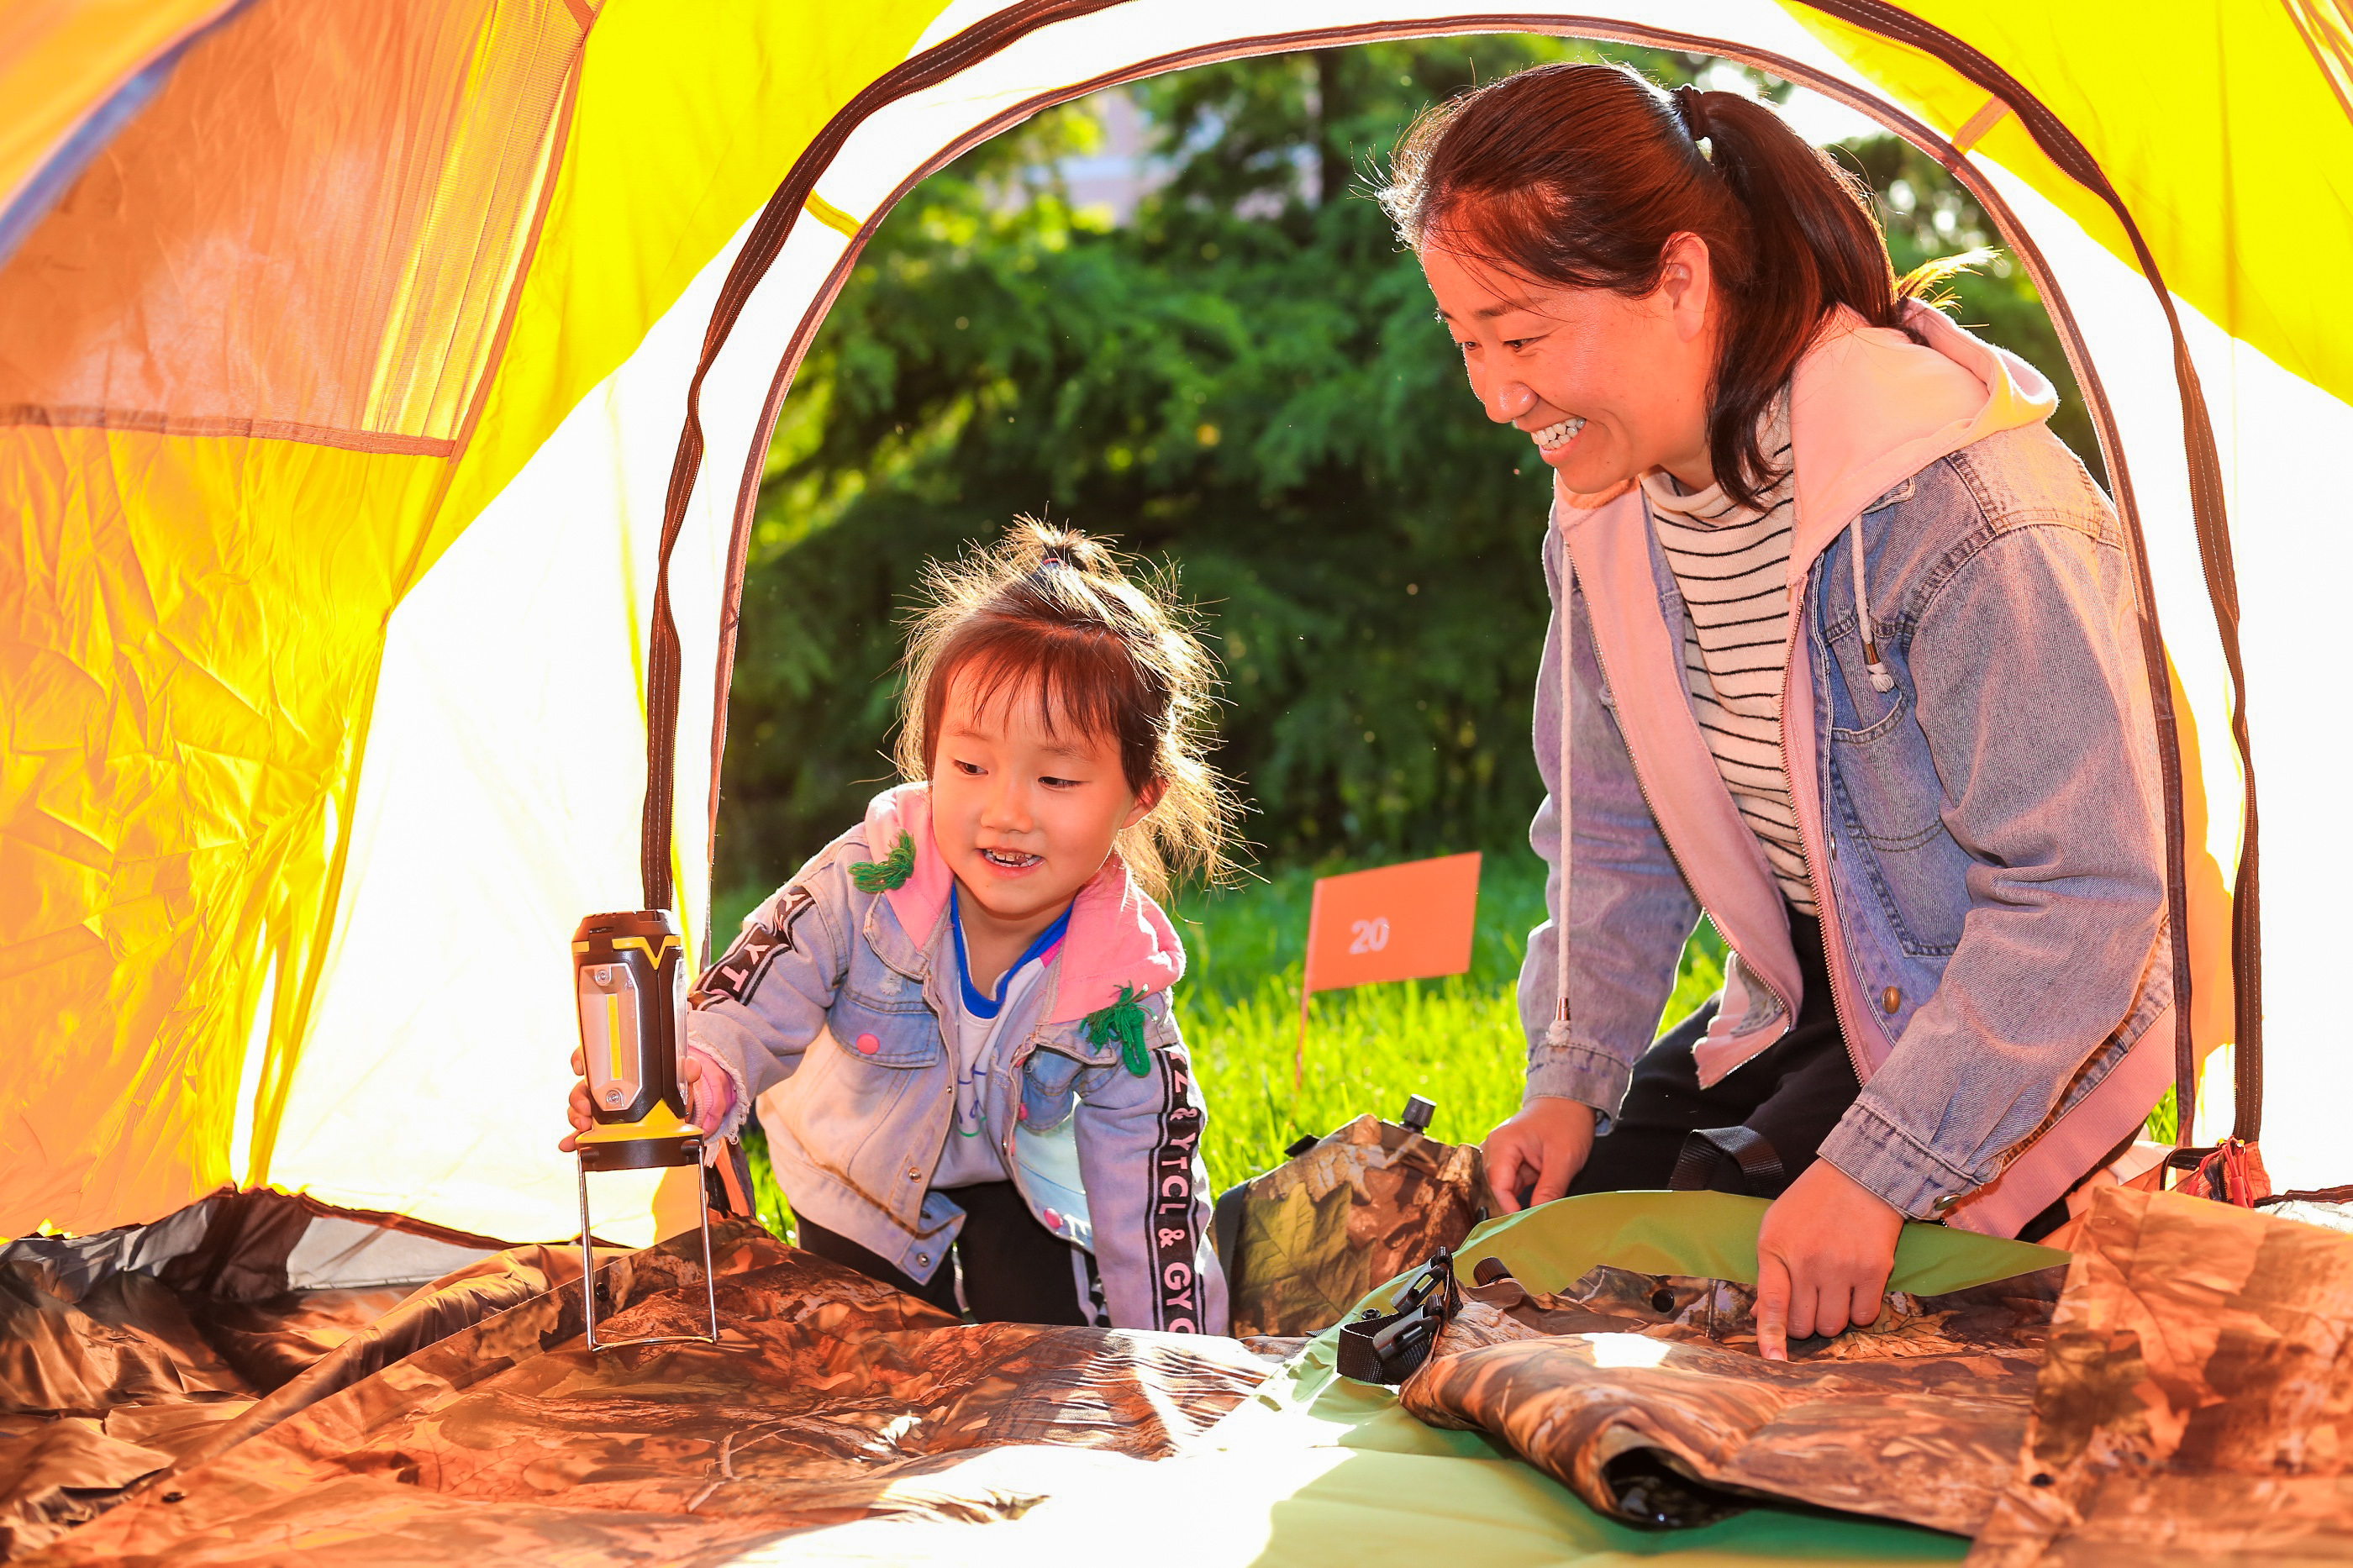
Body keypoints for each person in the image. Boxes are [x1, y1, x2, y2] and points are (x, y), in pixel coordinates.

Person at [1379, 66, 2172, 1358]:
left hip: (2016, 1019)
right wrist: (1569, 1077)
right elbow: (1611, 831)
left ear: (1680, 281)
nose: (1493, 395)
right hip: (1823, 985)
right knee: (1555, 1245)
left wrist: (1877, 1170)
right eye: (1463, 341)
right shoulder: (1607, 507)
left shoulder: (1964, 506)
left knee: (1720, 1302)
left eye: (1519, 337)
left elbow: (2085, 895)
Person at [562, 522, 1234, 1333]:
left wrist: (1188, 1377)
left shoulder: (1122, 992)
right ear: (928, 759)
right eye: (971, 766)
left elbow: (1154, 1208)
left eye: (1055, 777)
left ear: (1141, 795)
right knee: (858, 1360)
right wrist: (699, 1069)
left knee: (1055, 1359)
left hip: (1028, 1199)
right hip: (859, 1186)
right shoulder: (862, 881)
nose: (1006, 811)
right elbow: (752, 989)